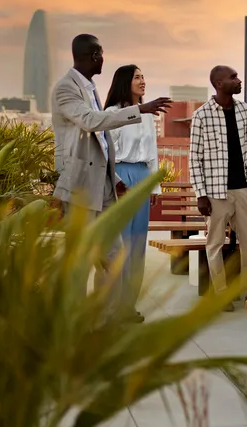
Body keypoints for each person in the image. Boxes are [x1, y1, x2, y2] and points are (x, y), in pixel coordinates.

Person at [51, 34, 171, 323]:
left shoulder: (89, 87)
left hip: (104, 184)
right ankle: (76, 321)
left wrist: (112, 177)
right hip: (80, 186)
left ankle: (105, 318)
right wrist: (140, 109)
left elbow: (102, 142)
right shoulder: (66, 88)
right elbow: (91, 122)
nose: (104, 58)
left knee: (116, 255)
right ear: (92, 56)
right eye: (101, 53)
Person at [188, 65, 247, 311]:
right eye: (233, 77)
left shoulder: (244, 110)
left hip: (243, 189)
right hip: (215, 192)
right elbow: (194, 158)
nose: (239, 80)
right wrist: (201, 194)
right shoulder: (202, 115)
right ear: (219, 83)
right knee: (215, 244)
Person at [104, 64, 160, 324]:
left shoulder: (147, 115)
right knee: (120, 246)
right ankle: (113, 307)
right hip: (120, 180)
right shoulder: (112, 114)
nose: (142, 80)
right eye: (137, 77)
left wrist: (155, 185)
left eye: (143, 76)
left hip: (142, 178)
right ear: (125, 81)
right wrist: (116, 181)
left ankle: (129, 306)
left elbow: (153, 154)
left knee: (138, 245)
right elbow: (105, 153)